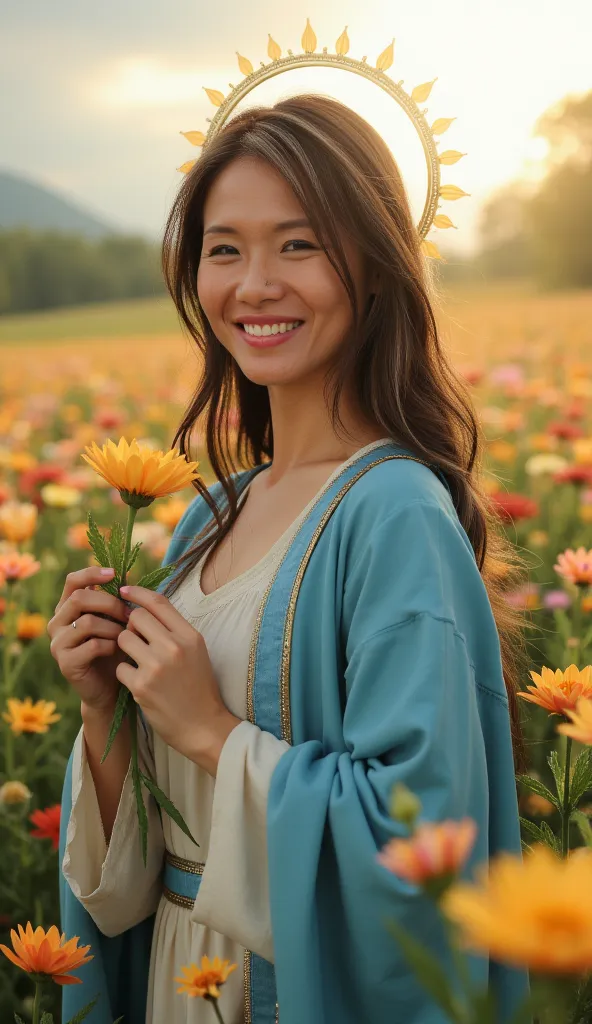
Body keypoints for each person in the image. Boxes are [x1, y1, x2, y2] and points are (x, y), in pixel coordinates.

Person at [52, 93, 529, 1024]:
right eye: (224, 249)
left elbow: (419, 841)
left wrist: (206, 729)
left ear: (378, 267)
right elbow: (133, 877)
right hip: (175, 981)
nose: (254, 284)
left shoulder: (394, 513)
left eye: (298, 244)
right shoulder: (213, 514)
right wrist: (108, 709)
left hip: (285, 989)